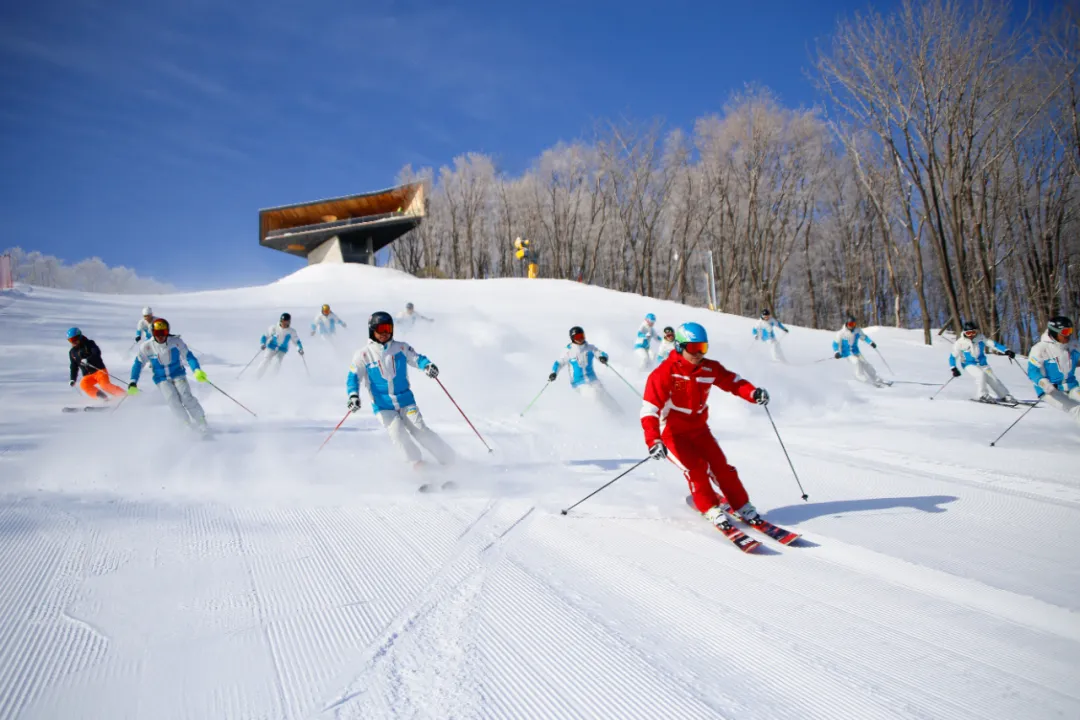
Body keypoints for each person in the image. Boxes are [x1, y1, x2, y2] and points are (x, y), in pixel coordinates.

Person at [641, 322, 770, 527]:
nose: (699, 353)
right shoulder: (665, 373)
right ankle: (710, 508)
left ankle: (742, 505)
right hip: (672, 434)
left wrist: (753, 393)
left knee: (722, 468)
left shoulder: (709, 368)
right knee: (696, 470)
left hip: (699, 430)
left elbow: (733, 382)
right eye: (694, 348)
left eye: (703, 348)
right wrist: (653, 440)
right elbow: (649, 410)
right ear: (680, 347)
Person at [346, 311, 455, 467]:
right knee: (398, 434)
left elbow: (417, 359)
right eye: (381, 329)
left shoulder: (401, 348)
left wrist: (427, 366)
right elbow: (353, 377)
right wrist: (353, 395)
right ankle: (417, 463)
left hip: (405, 401)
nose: (385, 333)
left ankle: (449, 459)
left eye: (388, 328)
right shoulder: (363, 355)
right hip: (383, 406)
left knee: (420, 430)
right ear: (372, 330)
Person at [128, 318, 209, 431]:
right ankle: (185, 423)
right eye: (157, 333)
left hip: (178, 374)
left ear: (168, 332)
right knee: (172, 399)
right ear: (152, 333)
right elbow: (138, 364)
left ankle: (201, 420)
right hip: (161, 379)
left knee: (186, 397)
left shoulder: (176, 342)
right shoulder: (146, 347)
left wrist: (196, 370)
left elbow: (189, 356)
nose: (161, 336)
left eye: (163, 333)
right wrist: (133, 381)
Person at [550, 326, 621, 413]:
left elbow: (600, 353)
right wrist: (554, 373)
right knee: (594, 395)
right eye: (577, 337)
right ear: (572, 338)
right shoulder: (568, 351)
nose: (580, 339)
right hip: (579, 384)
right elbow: (558, 363)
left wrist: (603, 357)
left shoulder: (590, 348)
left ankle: (620, 413)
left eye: (582, 336)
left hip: (593, 379)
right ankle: (605, 417)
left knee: (604, 395)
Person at [1027, 315, 1080, 425]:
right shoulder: (1040, 349)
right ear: (1055, 332)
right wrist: (1044, 383)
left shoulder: (1073, 345)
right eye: (1065, 331)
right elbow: (1032, 371)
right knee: (1076, 408)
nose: (1069, 335)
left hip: (1071, 386)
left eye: (1070, 330)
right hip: (1050, 390)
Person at [949, 320, 1017, 403]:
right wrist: (953, 368)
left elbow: (994, 345)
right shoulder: (960, 343)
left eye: (973, 333)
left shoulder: (981, 338)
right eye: (968, 333)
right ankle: (982, 395)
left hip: (982, 363)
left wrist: (1006, 351)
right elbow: (952, 357)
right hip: (968, 364)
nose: (971, 335)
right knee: (980, 375)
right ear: (964, 333)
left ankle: (1004, 395)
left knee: (993, 378)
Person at [67, 327, 126, 401]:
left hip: (99, 371)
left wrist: (88, 360)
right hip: (88, 375)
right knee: (84, 385)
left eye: (75, 339)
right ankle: (103, 398)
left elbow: (96, 353)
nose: (73, 342)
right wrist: (73, 379)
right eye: (70, 340)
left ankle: (123, 395)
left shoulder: (89, 343)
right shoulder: (72, 352)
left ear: (80, 336)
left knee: (104, 385)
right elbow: (73, 366)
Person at [833, 316, 888, 387]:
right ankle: (863, 379)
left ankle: (875, 378)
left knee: (865, 363)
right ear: (846, 324)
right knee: (856, 362)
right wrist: (836, 352)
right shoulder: (841, 333)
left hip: (856, 352)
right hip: (846, 353)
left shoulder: (857, 331)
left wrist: (871, 342)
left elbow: (864, 337)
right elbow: (835, 343)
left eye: (853, 324)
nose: (852, 326)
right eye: (850, 324)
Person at [256, 313, 304, 378]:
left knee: (277, 362)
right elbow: (265, 336)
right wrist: (263, 343)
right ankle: (257, 376)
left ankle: (271, 379)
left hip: (282, 349)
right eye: (282, 322)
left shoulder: (291, 331)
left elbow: (296, 342)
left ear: (289, 322)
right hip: (271, 347)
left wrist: (299, 349)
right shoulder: (274, 328)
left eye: (286, 322)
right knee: (266, 361)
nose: (283, 324)